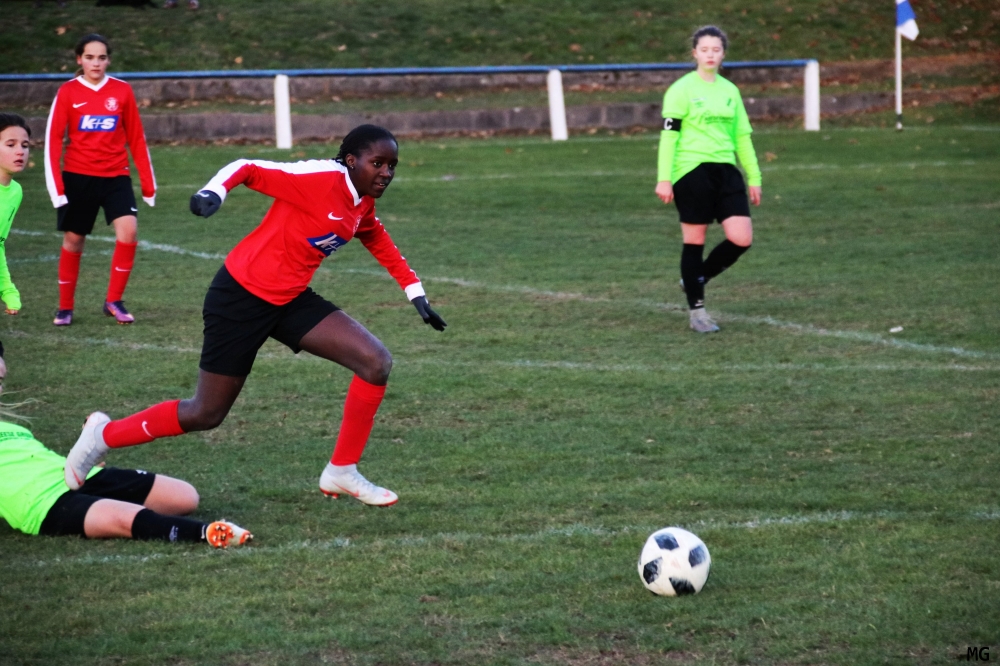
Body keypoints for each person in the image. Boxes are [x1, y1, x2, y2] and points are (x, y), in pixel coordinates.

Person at [64, 125, 447, 507]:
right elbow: (247, 167)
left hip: (291, 299)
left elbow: (373, 233)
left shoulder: (361, 200)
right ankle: (103, 435)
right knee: (205, 412)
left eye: (392, 165)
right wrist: (213, 192)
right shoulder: (318, 178)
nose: (386, 173)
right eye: (377, 163)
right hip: (240, 298)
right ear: (351, 160)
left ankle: (341, 471)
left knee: (375, 362)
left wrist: (414, 291)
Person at [0, 345, 251, 547]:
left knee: (185, 497)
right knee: (124, 518)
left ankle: (91, 458)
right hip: (42, 504)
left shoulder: (13, 427)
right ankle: (207, 533)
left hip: (76, 476)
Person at [44, 33, 157, 327]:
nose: (96, 63)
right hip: (78, 177)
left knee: (129, 231)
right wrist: (57, 188)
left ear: (108, 60)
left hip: (116, 176)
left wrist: (148, 183)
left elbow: (136, 137)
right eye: (90, 57)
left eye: (102, 57)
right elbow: (53, 140)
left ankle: (114, 301)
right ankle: (65, 307)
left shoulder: (122, 91)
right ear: (79, 59)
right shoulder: (67, 92)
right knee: (74, 239)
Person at [655, 25, 762, 333]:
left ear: (723, 54)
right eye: (704, 50)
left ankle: (694, 278)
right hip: (691, 171)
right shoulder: (680, 90)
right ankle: (697, 312)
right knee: (695, 240)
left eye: (716, 50)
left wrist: (754, 176)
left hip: (726, 171)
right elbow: (669, 138)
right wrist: (664, 178)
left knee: (741, 238)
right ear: (695, 54)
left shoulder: (730, 91)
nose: (710, 55)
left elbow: (742, 137)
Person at [0, 113, 29, 316]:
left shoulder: (15, 192)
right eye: (11, 145)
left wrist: (7, 289)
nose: (20, 151)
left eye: (25, 145)